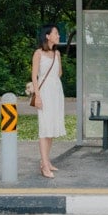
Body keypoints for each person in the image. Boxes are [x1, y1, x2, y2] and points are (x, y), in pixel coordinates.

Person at [31, 24, 65, 178]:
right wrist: (37, 95)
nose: (58, 35)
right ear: (47, 35)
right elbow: (34, 76)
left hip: (56, 91)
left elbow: (59, 73)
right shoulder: (38, 53)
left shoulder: (57, 53)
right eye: (56, 33)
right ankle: (44, 165)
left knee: (51, 127)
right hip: (44, 92)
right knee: (45, 128)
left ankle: (46, 160)